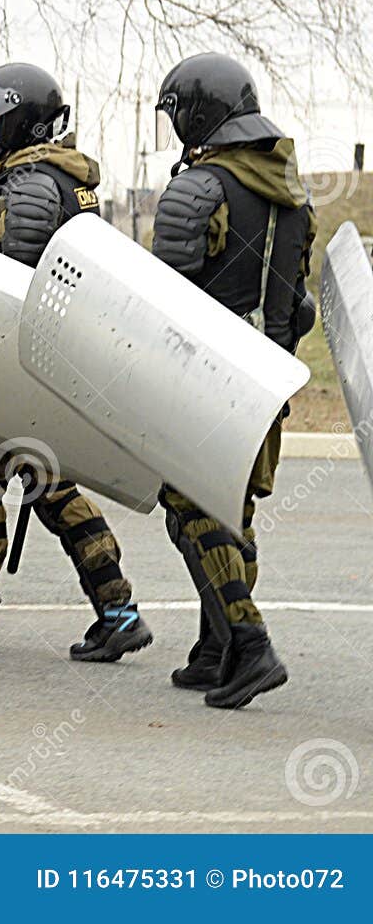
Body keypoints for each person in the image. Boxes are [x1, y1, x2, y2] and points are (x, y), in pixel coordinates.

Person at [0, 63, 152, 661]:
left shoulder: (33, 184)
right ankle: (116, 610)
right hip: (45, 361)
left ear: (20, 118)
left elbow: (13, 284)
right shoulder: (48, 178)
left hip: (18, 361)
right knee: (42, 480)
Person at [150, 53, 313, 709]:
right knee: (229, 510)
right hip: (270, 377)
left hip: (208, 378)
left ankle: (249, 644)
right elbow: (298, 301)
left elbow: (163, 298)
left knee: (193, 505)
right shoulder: (293, 194)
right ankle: (216, 645)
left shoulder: (199, 188)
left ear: (199, 111)